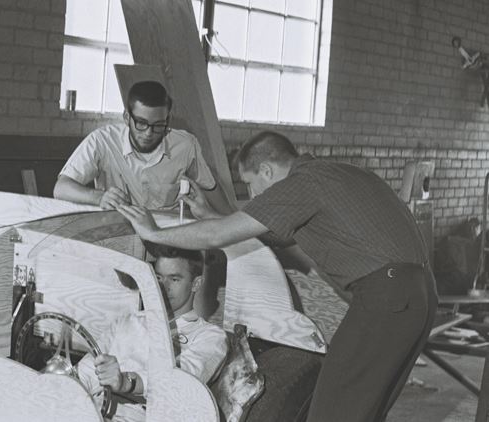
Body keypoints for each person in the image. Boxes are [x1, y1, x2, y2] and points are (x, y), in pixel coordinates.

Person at [117, 130, 438, 422]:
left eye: (251, 185)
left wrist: (154, 232)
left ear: (267, 171)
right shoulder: (335, 175)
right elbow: (272, 233)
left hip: (387, 294)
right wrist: (211, 216)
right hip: (419, 295)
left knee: (331, 411)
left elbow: (216, 235)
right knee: (364, 410)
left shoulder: (302, 184)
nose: (255, 196)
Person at [76, 244, 228, 421]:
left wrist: (127, 383)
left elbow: (179, 383)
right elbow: (85, 371)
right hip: (90, 410)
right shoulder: (126, 322)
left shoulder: (210, 337)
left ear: (196, 283)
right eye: (158, 278)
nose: (163, 287)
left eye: (174, 279)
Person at [53, 80, 231, 214]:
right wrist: (100, 197)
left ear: (167, 120)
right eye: (141, 123)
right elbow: (61, 188)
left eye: (158, 125)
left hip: (166, 233)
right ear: (126, 117)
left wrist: (231, 222)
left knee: (174, 265)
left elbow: (209, 188)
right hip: (120, 228)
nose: (148, 133)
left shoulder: (185, 145)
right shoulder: (102, 141)